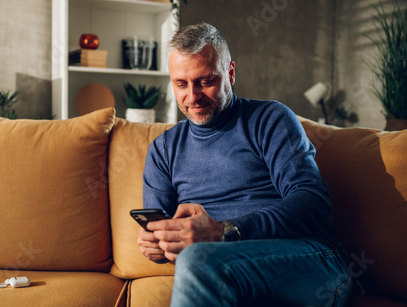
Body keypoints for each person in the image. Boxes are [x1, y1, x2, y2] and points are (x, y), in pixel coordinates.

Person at [137, 23, 356, 306]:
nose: (192, 97)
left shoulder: (270, 119)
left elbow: (314, 203)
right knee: (198, 259)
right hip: (222, 266)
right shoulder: (163, 149)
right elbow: (160, 228)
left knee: (198, 258)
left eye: (205, 81)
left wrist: (222, 231)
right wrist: (156, 243)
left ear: (230, 73)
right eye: (181, 84)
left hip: (307, 257)